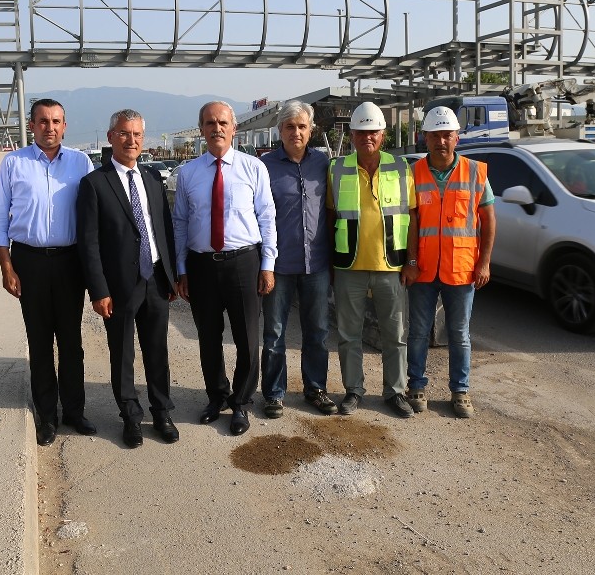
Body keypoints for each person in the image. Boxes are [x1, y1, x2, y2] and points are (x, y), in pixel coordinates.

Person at [0, 99, 95, 447]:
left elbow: (93, 217)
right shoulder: (13, 163)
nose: (50, 127)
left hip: (69, 262)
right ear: (32, 125)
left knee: (71, 341)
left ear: (65, 126)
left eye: (56, 121)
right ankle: (46, 416)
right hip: (28, 261)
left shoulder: (81, 163)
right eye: (43, 121)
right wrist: (7, 267)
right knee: (39, 341)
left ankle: (75, 412)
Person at [173, 101, 277, 436]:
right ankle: (216, 396)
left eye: (222, 122)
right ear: (201, 130)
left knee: (247, 338)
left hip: (244, 263)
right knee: (208, 336)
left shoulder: (253, 168)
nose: (216, 128)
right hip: (202, 265)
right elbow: (180, 223)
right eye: (209, 123)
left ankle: (242, 403)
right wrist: (181, 269)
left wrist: (267, 264)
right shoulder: (188, 173)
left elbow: (267, 217)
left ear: (234, 128)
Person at [77, 109, 179, 448]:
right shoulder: (94, 183)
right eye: (123, 133)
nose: (131, 140)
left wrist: (171, 276)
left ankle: (162, 412)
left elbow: (163, 230)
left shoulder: (151, 179)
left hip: (155, 281)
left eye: (136, 134)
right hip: (118, 286)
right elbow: (89, 242)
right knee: (121, 355)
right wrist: (98, 289)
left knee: (157, 351)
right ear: (111, 137)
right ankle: (131, 417)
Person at [404, 106, 496, 419]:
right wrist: (411, 261)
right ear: (424, 138)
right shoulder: (414, 173)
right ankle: (416, 385)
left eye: (447, 135)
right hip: (424, 269)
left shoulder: (474, 172)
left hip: (462, 269)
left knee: (459, 335)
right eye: (435, 135)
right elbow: (412, 221)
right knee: (418, 331)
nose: (441, 141)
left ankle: (460, 391)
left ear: (456, 137)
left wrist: (484, 263)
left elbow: (488, 219)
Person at [327, 102, 417, 418]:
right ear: (352, 135)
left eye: (374, 132)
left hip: (391, 266)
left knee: (395, 335)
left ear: (383, 134)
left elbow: (413, 216)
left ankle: (395, 392)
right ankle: (354, 390)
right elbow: (329, 216)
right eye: (362, 132)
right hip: (348, 265)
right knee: (348, 335)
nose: (368, 137)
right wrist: (329, 264)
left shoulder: (401, 167)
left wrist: (412, 261)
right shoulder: (336, 168)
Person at [259, 101, 337, 418]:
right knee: (274, 334)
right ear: (280, 130)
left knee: (317, 331)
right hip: (279, 266)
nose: (296, 132)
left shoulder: (324, 163)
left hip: (316, 264)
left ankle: (315, 389)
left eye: (302, 127)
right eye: (290, 126)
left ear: (311, 130)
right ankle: (274, 393)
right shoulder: (265, 166)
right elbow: (258, 216)